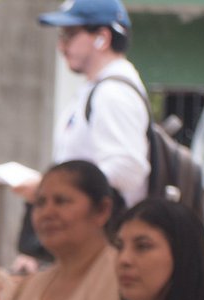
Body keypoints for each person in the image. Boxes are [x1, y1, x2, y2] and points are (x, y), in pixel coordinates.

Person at [24, 0, 149, 208]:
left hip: (102, 231)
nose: (61, 46)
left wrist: (55, 188)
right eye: (61, 35)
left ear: (102, 38)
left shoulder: (113, 93)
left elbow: (127, 168)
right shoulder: (99, 88)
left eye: (70, 34)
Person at [11, 160, 121, 300]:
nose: (47, 213)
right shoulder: (29, 289)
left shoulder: (123, 275)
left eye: (61, 201)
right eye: (40, 203)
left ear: (102, 210)